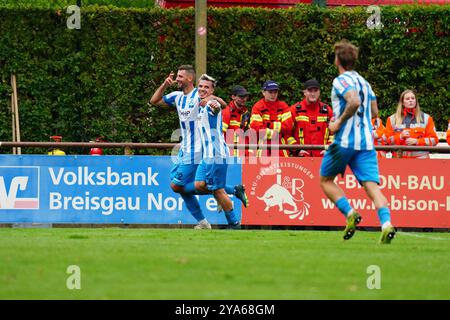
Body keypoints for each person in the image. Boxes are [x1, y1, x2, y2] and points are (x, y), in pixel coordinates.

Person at [149, 65, 247, 230]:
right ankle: (231, 192)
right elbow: (154, 101)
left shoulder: (201, 97)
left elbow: (221, 104)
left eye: (180, 76)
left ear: (189, 79)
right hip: (185, 149)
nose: (177, 79)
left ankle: (219, 221)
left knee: (177, 186)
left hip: (199, 151)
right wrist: (165, 85)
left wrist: (213, 101)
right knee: (199, 186)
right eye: (177, 76)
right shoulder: (177, 97)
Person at [319, 40, 396, 244]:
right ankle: (386, 224)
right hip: (366, 143)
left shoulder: (341, 80)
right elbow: (374, 110)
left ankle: (350, 213)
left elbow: (353, 101)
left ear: (337, 60)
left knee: (325, 180)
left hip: (344, 141)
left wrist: (338, 122)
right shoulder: (364, 82)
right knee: (372, 186)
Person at [193, 74, 242, 229]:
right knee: (200, 184)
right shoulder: (200, 103)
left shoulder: (211, 104)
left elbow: (217, 106)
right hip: (206, 155)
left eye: (206, 87)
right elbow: (223, 102)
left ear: (212, 90)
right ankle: (234, 190)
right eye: (200, 86)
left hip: (216, 154)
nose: (202, 89)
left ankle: (234, 224)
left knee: (217, 190)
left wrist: (216, 104)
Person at [385, 90, 438, 158]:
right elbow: (386, 142)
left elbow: (434, 140)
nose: (411, 100)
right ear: (402, 103)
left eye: (413, 98)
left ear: (416, 101)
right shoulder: (392, 119)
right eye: (407, 99)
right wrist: (400, 137)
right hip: (399, 160)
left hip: (421, 161)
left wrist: (417, 141)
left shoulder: (426, 118)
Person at [249, 80, 294, 157]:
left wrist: (269, 125)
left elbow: (288, 127)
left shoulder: (283, 106)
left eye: (275, 92)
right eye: (270, 92)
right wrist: (277, 133)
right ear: (263, 92)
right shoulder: (257, 107)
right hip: (263, 149)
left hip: (281, 150)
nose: (273, 95)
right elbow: (256, 128)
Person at [290, 79, 333, 157]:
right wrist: (297, 149)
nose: (313, 94)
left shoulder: (327, 111)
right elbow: (287, 134)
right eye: (310, 91)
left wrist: (329, 149)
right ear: (304, 92)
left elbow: (335, 134)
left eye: (315, 91)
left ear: (319, 92)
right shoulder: (295, 110)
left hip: (323, 158)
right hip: (301, 159)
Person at [222, 85, 251, 157]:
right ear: (233, 97)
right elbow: (220, 134)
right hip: (229, 155)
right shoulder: (226, 112)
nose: (244, 99)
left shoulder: (246, 114)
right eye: (241, 97)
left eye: (245, 96)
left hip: (243, 154)